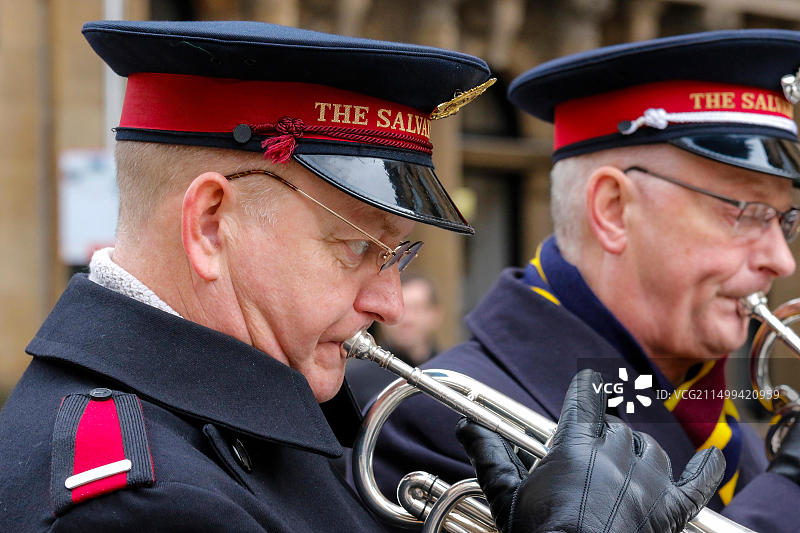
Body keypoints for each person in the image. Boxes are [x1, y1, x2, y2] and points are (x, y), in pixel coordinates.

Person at [0, 20, 723, 533]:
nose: (386, 300)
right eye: (356, 247)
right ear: (211, 224)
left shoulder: (274, 404)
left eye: (397, 254)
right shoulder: (142, 501)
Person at [373, 29, 800, 533]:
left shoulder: (727, 423)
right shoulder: (447, 419)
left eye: (786, 220)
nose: (781, 260)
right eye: (746, 212)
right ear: (614, 210)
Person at [346, 274, 442, 410]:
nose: (408, 320)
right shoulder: (353, 379)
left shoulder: (452, 371)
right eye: (401, 309)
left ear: (435, 314)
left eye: (416, 308)